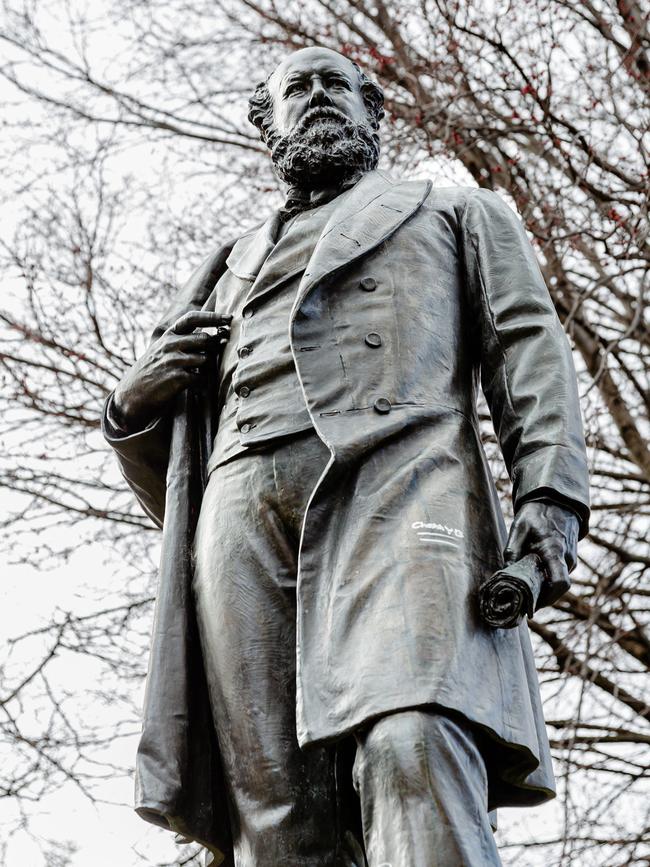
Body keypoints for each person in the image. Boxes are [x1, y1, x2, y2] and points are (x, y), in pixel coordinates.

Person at [103, 46, 590, 867]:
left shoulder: (454, 211)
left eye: (339, 86)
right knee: (278, 812)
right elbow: (173, 487)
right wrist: (129, 407)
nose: (320, 97)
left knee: (415, 739)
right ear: (269, 123)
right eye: (299, 88)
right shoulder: (224, 266)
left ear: (374, 114)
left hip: (401, 491)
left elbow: (530, 360)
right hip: (240, 520)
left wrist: (548, 513)